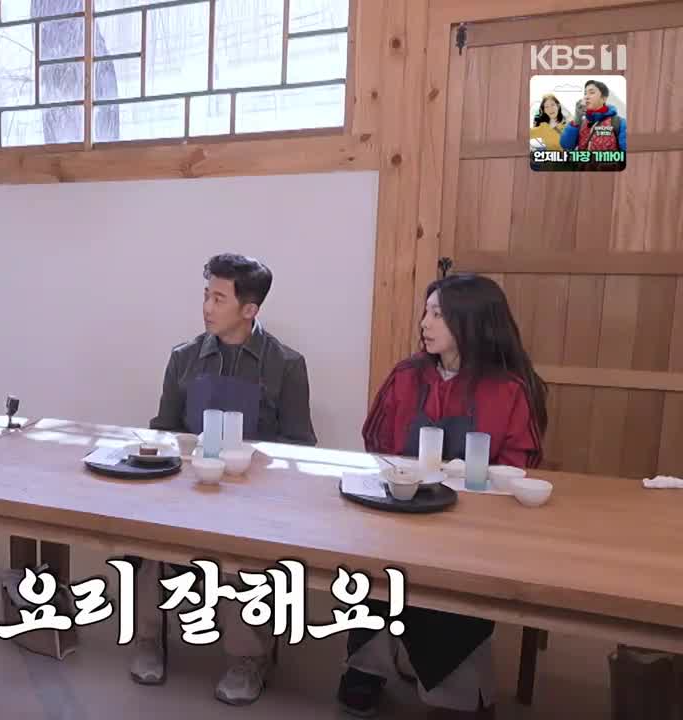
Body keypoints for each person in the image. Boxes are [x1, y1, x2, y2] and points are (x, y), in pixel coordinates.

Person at [337, 273, 548, 719]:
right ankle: (367, 666)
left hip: (474, 525)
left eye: (438, 314)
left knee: (456, 589)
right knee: (374, 567)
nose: (424, 323)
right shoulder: (407, 375)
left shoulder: (510, 388)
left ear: (471, 322)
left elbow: (520, 462)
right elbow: (376, 441)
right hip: (401, 511)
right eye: (426, 311)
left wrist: (467, 478)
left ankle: (457, 690)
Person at [129, 254, 317, 706]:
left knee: (245, 552)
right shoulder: (184, 358)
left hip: (254, 498)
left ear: (249, 309)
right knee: (147, 532)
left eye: (218, 298)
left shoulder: (286, 365)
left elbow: (303, 448)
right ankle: (149, 638)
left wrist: (253, 470)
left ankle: (247, 659)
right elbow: (164, 430)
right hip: (191, 488)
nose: (207, 308)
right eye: (206, 296)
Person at [559, 80, 626, 170]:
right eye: (585, 93)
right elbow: (566, 145)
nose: (586, 96)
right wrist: (576, 120)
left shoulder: (619, 123)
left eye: (591, 92)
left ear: (604, 98)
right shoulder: (581, 123)